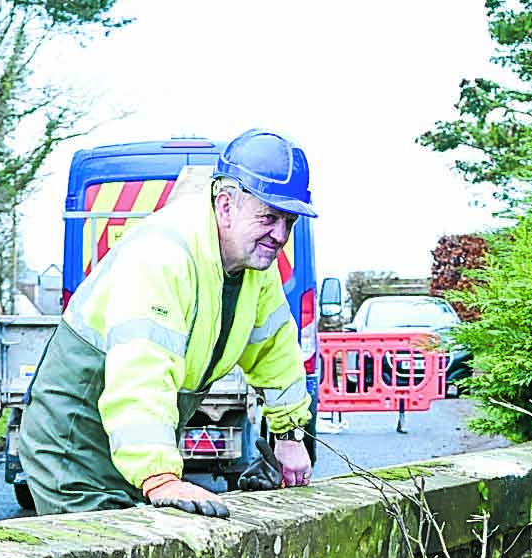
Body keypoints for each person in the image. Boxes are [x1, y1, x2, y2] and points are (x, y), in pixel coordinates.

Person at [19, 129, 317, 520]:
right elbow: (141, 372)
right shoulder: (163, 256)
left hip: (133, 436)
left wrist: (290, 434)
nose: (280, 235)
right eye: (269, 217)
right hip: (76, 440)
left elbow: (275, 351)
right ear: (225, 206)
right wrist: (159, 475)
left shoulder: (254, 268)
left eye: (289, 222)